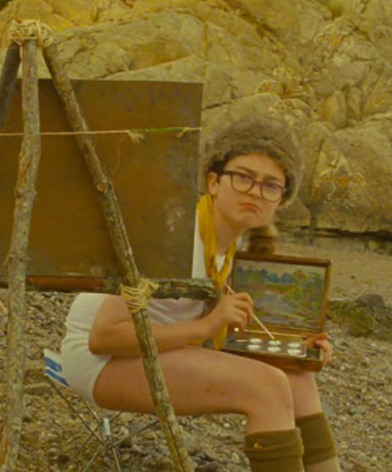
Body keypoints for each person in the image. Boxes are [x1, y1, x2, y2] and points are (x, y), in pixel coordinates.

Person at [60, 115, 339, 472]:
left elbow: (238, 335)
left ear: (281, 200)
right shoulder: (171, 234)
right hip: (100, 360)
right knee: (266, 387)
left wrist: (298, 346)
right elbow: (103, 338)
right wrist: (204, 328)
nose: (255, 191)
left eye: (271, 185)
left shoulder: (242, 250)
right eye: (243, 177)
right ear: (213, 181)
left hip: (162, 347)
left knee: (298, 376)